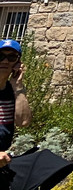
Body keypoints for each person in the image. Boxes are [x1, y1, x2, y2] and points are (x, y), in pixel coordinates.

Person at [0, 39, 31, 170]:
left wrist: (17, 86)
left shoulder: (13, 91)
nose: (5, 61)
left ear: (18, 63)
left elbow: (23, 122)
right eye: (0, 56)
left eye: (11, 57)